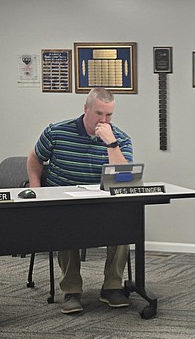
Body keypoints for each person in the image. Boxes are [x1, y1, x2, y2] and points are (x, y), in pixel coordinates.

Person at [28, 88, 133, 315]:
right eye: (98, 114)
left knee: (124, 225)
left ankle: (112, 287)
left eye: (109, 115)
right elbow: (35, 158)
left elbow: (124, 177)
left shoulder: (120, 139)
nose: (103, 120)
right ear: (85, 109)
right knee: (65, 226)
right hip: (64, 203)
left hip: (102, 203)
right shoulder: (57, 132)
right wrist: (36, 190)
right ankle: (72, 290)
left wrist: (111, 144)